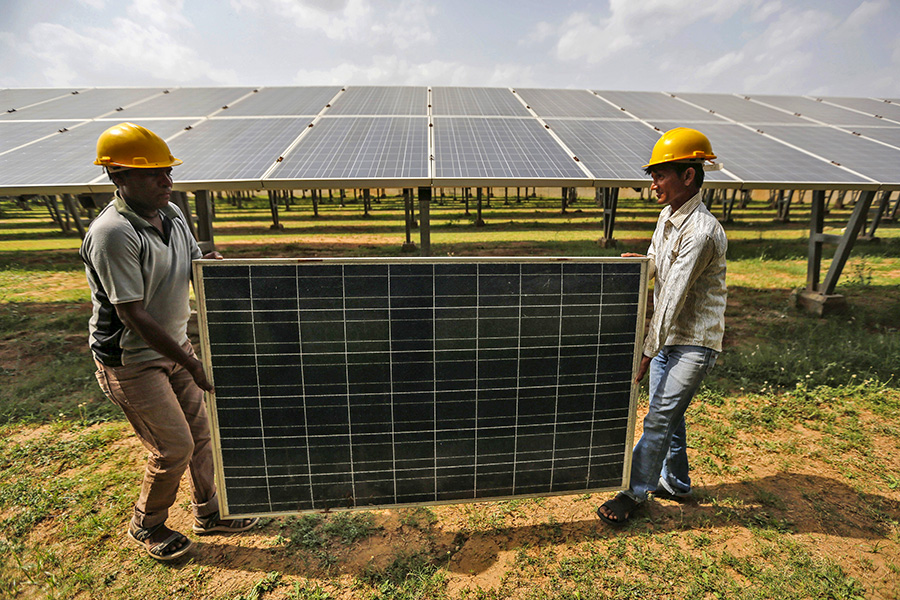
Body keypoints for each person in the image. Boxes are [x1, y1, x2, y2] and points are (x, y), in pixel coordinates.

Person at [81, 122, 258, 561]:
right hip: (132, 361)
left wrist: (207, 263)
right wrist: (193, 362)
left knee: (202, 434)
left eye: (167, 171)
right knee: (173, 446)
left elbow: (191, 259)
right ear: (117, 176)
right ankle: (147, 523)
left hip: (177, 347)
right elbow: (132, 313)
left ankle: (210, 513)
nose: (167, 182)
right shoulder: (113, 234)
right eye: (152, 174)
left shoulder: (173, 214)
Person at [597, 127, 727, 525]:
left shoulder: (702, 232)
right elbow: (659, 263)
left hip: (692, 342)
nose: (652, 183)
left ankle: (633, 493)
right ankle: (677, 482)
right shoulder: (667, 216)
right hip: (667, 338)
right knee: (668, 413)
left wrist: (646, 350)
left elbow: (671, 299)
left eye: (660, 175)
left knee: (658, 417)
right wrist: (642, 266)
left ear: (688, 176)